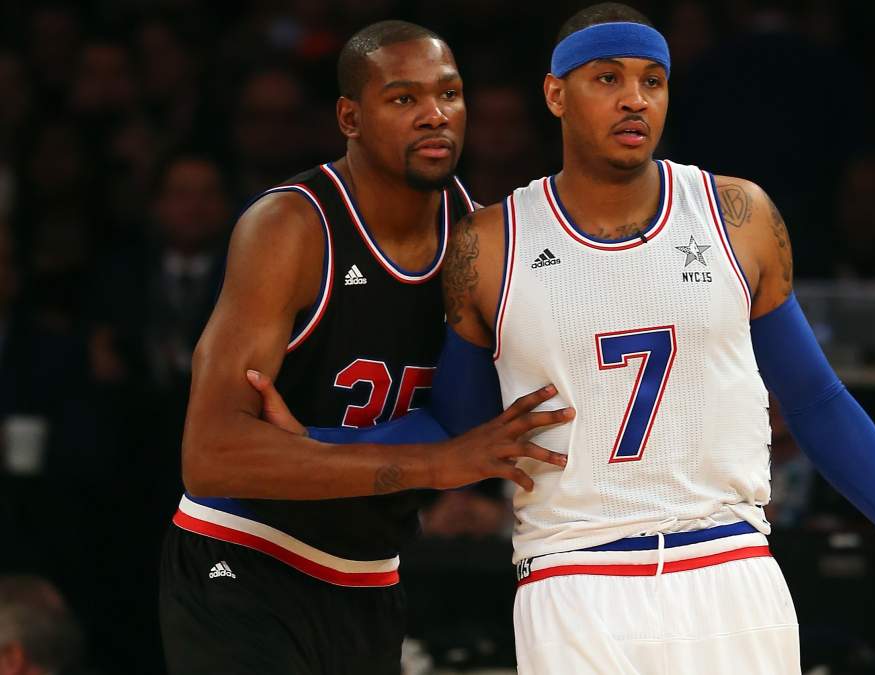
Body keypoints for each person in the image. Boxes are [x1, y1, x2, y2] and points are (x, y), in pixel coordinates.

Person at [270, 5, 875, 674]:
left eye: (652, 81)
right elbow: (459, 431)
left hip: (729, 563)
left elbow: (818, 401)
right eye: (608, 78)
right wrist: (313, 445)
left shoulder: (738, 214)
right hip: (573, 575)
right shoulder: (489, 243)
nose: (635, 98)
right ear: (555, 94)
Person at [159, 21, 569, 675]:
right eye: (404, 98)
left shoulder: (480, 239)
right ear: (350, 117)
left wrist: (317, 445)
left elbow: (465, 432)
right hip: (243, 557)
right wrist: (433, 462)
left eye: (449, 94)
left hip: (370, 577)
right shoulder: (291, 227)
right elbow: (209, 455)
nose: (435, 114)